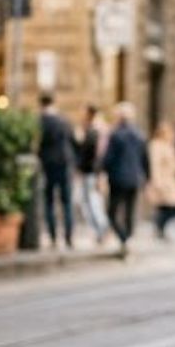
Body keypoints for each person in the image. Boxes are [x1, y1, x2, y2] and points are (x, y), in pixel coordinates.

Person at [100, 103, 149, 255]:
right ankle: (127, 238)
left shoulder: (115, 135)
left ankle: (124, 239)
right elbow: (145, 159)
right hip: (134, 178)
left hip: (118, 178)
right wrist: (147, 177)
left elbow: (108, 158)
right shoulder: (140, 135)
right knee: (129, 211)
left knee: (111, 212)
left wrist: (101, 171)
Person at [38, 93, 76, 249]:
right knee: (67, 202)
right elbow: (73, 142)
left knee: (49, 202)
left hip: (49, 165)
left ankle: (53, 237)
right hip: (65, 164)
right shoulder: (64, 120)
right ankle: (68, 237)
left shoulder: (42, 121)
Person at [74, 104, 110, 247]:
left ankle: (102, 229)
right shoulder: (95, 130)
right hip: (91, 172)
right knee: (88, 201)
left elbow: (90, 154)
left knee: (91, 201)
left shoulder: (94, 131)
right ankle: (100, 230)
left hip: (91, 173)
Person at [147, 122, 175, 240]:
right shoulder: (156, 146)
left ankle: (160, 227)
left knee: (174, 206)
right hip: (164, 180)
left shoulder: (169, 145)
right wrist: (156, 182)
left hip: (172, 180)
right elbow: (155, 165)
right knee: (168, 206)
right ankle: (159, 227)